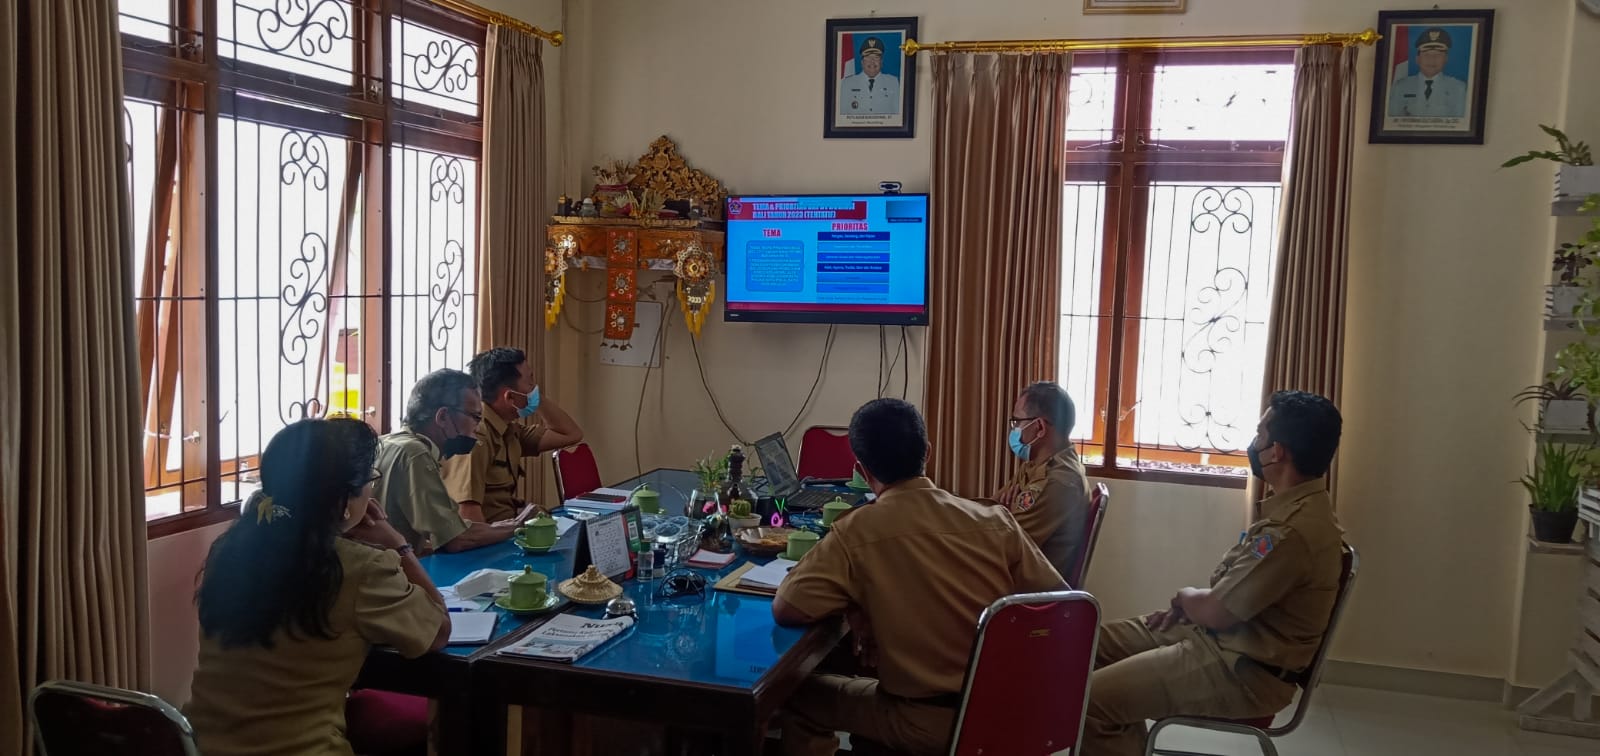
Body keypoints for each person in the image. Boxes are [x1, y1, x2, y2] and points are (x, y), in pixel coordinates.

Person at [772, 398, 1066, 756]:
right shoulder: (995, 521)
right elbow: (1061, 607)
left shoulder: (856, 532)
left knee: (798, 694)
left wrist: (855, 604)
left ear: (862, 470)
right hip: (1006, 712)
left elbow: (788, 607)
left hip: (923, 722)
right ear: (927, 451)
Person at [1081, 390, 1345, 756]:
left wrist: (1185, 598)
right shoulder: (1298, 511)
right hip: (1222, 639)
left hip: (1243, 670)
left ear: (1277, 452)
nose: (1254, 443)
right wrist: (1194, 607)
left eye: (1260, 434)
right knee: (1085, 646)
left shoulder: (1292, 531)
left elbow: (1216, 610)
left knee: (1091, 703)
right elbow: (1224, 601)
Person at [185, 418, 450, 756]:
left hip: (202, 747)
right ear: (344, 500)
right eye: (369, 480)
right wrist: (399, 545)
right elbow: (438, 631)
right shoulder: (361, 568)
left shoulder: (229, 549)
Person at [375, 368, 528, 554]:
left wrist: (503, 526)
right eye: (475, 417)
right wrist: (520, 524)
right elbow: (456, 539)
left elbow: (450, 528)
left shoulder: (386, 443)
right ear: (443, 417)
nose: (477, 427)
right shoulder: (416, 454)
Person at [442, 347, 583, 522]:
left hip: (510, 526)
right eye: (530, 383)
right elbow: (467, 516)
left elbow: (570, 434)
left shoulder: (508, 429)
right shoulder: (475, 437)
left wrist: (535, 397)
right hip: (493, 535)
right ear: (509, 397)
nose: (535, 389)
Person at [981, 381, 1091, 581]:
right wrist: (1003, 512)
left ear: (1039, 427)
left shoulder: (1058, 481)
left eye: (1017, 422)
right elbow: (994, 506)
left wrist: (1002, 513)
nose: (1014, 429)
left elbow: (1002, 544)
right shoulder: (1037, 464)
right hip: (1012, 573)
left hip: (1025, 585)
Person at [1387, 27, 1468, 118]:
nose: (1432, 60)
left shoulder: (1459, 88)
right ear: (1417, 59)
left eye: (1438, 55)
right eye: (1426, 55)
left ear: (1446, 59)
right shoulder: (1400, 87)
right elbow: (1392, 121)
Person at [837, 35, 900, 117]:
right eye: (868, 57)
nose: (872, 61)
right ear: (862, 62)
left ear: (881, 62)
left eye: (876, 57)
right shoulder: (847, 83)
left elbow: (898, 116)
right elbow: (842, 116)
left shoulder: (893, 82)